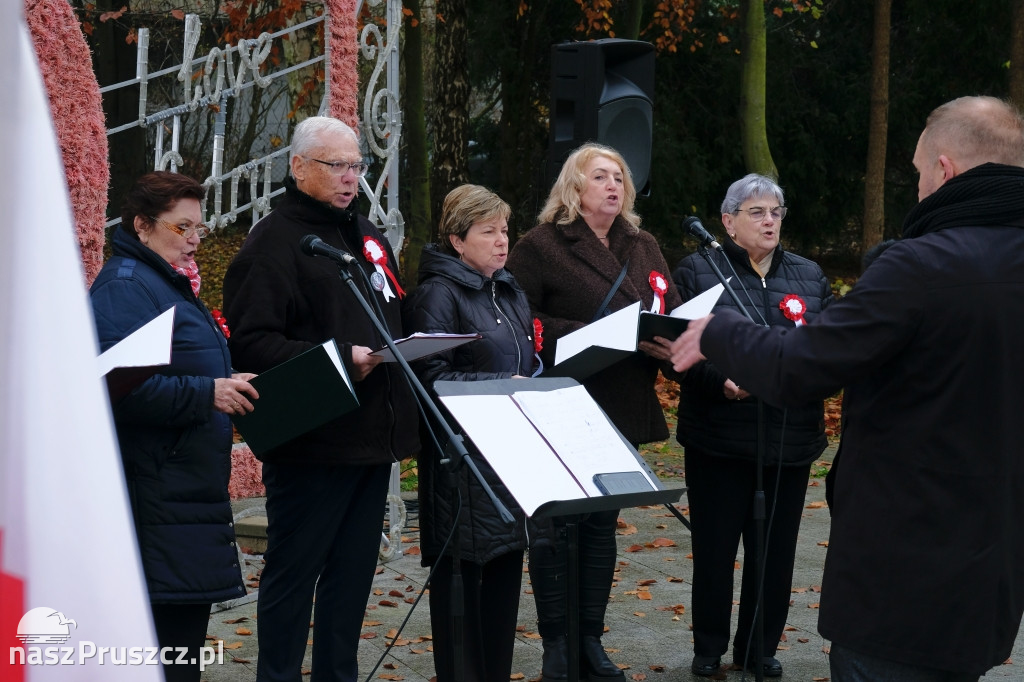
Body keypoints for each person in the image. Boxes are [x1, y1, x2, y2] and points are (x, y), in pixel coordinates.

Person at [668, 95, 1024, 682]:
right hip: (990, 579)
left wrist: (720, 331)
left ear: (945, 171)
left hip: (902, 578)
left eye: (915, 173)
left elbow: (801, 365)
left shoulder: (923, 265)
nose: (916, 189)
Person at [221, 116, 419, 682]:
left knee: (353, 578)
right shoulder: (274, 241)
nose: (350, 177)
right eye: (337, 165)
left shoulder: (368, 237)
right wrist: (339, 358)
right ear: (299, 167)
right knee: (293, 576)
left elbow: (392, 311)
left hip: (369, 440)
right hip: (312, 444)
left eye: (357, 165)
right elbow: (252, 341)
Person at [506, 142, 682, 681]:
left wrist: (667, 338)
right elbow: (517, 316)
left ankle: (590, 641)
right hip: (565, 400)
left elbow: (666, 306)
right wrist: (585, 335)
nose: (614, 185)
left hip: (624, 400)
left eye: (620, 178)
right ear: (574, 187)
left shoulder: (643, 242)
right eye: (601, 176)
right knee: (557, 527)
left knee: (603, 525)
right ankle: (557, 643)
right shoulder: (540, 244)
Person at [89, 171, 256, 682]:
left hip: (183, 497)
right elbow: (113, 388)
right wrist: (207, 392)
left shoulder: (163, 282)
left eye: (199, 230)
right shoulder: (125, 287)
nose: (193, 241)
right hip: (155, 498)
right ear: (142, 226)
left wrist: (224, 381)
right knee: (163, 654)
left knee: (180, 650)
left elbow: (170, 368)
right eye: (182, 228)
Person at [671, 174, 832, 678]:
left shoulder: (809, 277)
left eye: (776, 212)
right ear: (727, 222)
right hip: (719, 438)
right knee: (715, 551)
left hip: (789, 437)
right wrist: (721, 380)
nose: (769, 221)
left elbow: (827, 349)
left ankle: (759, 646)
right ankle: (709, 645)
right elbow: (676, 348)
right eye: (757, 212)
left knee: (775, 553)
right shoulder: (698, 271)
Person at [402, 184, 536, 681]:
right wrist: (505, 384)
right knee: (464, 587)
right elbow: (428, 377)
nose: (502, 241)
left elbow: (522, 357)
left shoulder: (508, 286)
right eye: (489, 232)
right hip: (461, 465)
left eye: (505, 230)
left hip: (508, 455)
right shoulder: (438, 293)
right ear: (457, 240)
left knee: (503, 581)